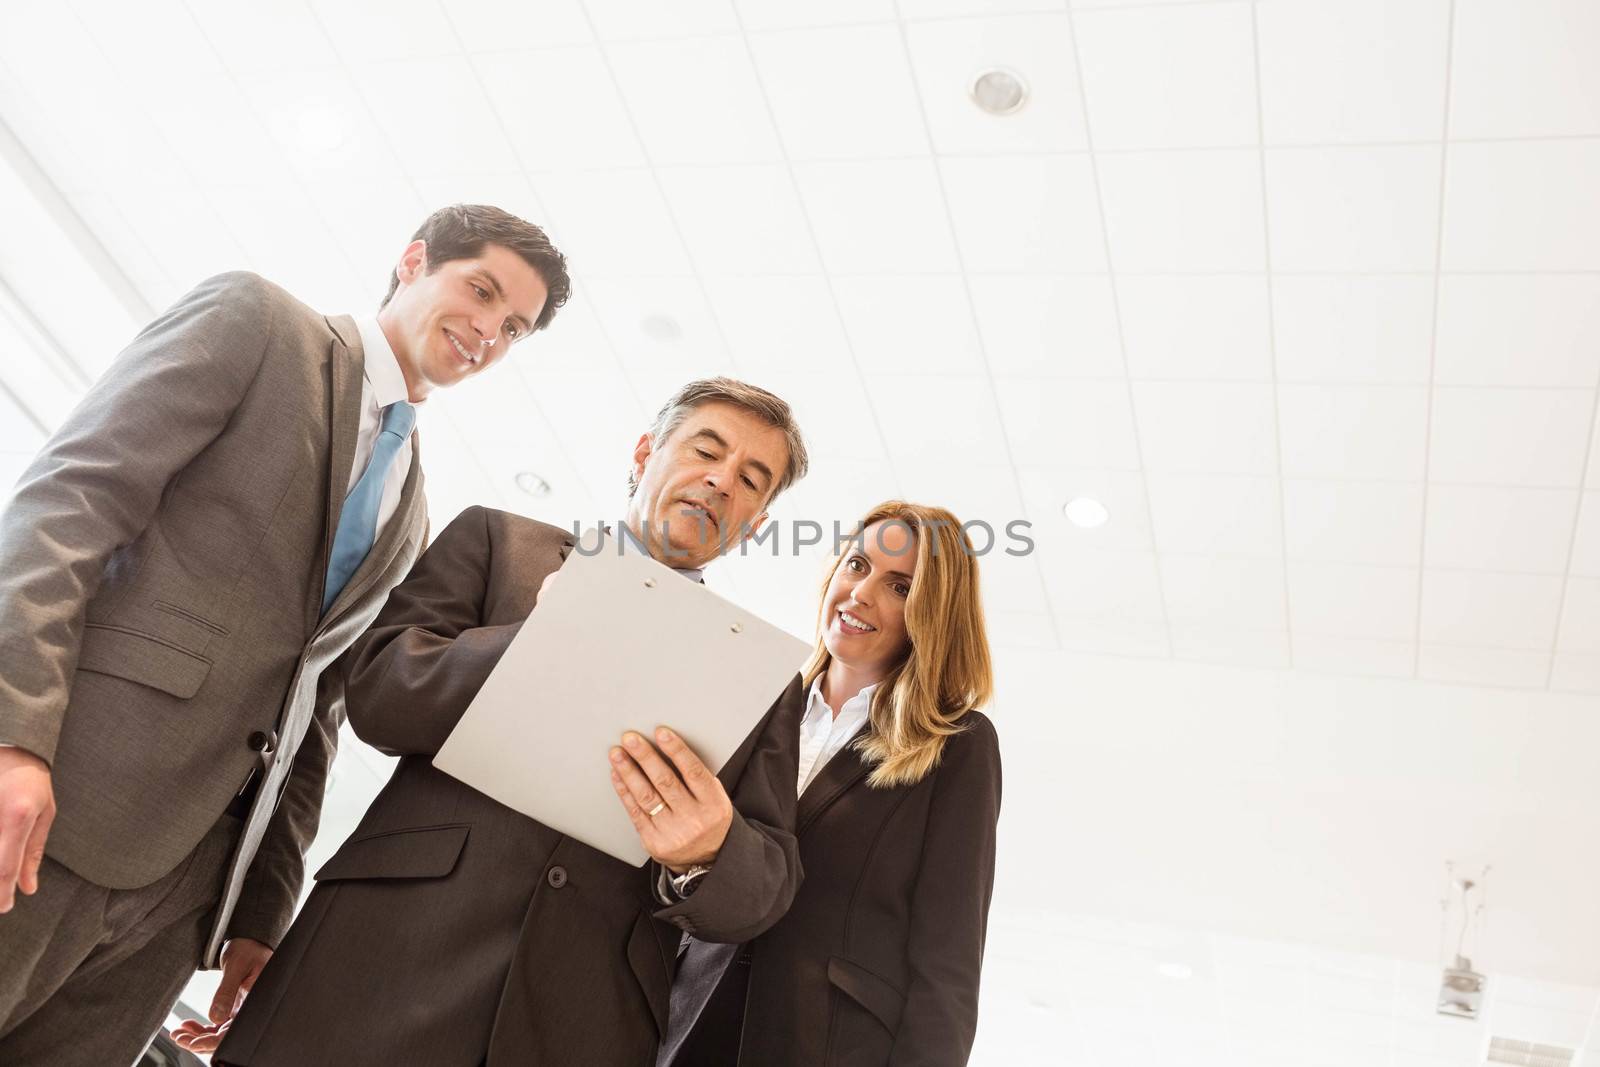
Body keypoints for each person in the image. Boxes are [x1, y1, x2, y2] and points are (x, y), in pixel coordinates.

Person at [0, 203, 569, 1066]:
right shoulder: (259, 324)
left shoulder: (411, 506)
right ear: (414, 261)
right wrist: (15, 738)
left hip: (190, 891)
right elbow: (66, 508)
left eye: (514, 327)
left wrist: (261, 906)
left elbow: (319, 704)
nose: (489, 331)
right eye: (480, 290)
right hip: (65, 799)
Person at [203, 378, 812, 1065]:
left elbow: (764, 884)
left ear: (757, 519)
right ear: (645, 452)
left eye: (752, 479)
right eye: (708, 449)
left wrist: (708, 851)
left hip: (579, 1021)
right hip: (378, 962)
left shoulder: (761, 678)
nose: (721, 481)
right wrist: (534, 634)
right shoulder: (498, 541)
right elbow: (376, 693)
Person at [658, 501, 1002, 1067]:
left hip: (827, 1044)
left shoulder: (957, 744)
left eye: (899, 586)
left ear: (931, 613)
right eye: (857, 565)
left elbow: (950, 960)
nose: (862, 593)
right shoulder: (755, 703)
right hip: (688, 1023)